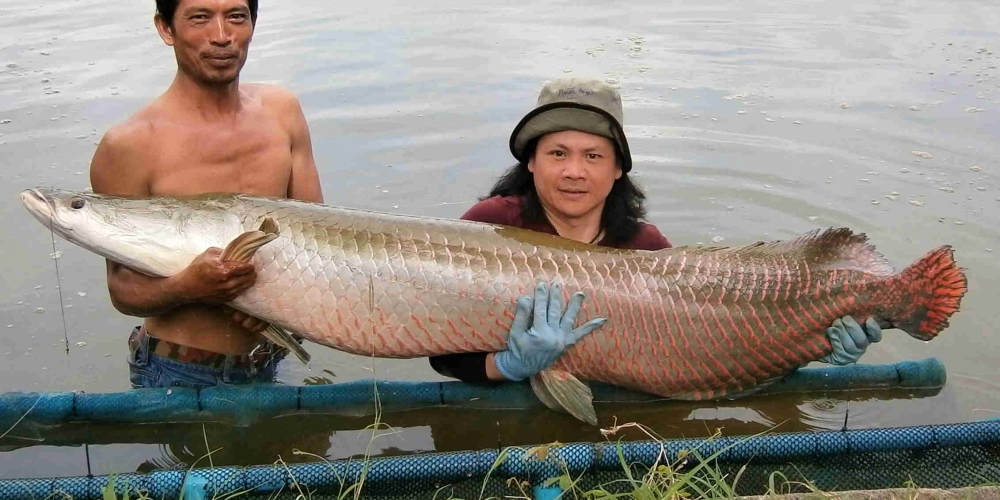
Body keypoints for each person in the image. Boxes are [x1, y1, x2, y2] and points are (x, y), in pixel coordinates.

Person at [430, 78, 882, 384]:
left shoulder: (645, 247)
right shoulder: (491, 226)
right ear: (531, 162)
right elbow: (440, 348)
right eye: (557, 153)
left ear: (617, 170)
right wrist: (506, 366)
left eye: (593, 156)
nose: (574, 172)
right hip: (506, 399)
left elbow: (708, 349)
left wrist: (815, 344)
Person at [88, 0, 323, 389]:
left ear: (252, 24)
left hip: (276, 354)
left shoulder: (283, 112)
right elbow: (122, 289)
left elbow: (317, 239)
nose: (222, 36)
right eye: (200, 18)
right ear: (166, 29)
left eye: (236, 16)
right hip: (182, 371)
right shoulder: (129, 146)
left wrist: (278, 303)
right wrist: (186, 286)